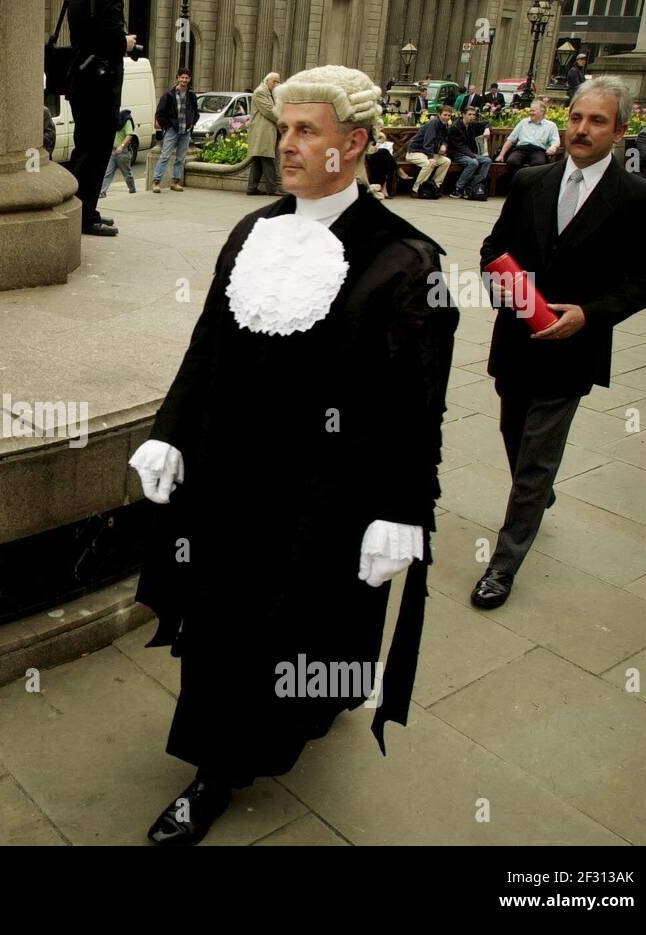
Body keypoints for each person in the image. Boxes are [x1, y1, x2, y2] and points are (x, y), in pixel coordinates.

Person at [130, 64, 458, 846]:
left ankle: (307, 707)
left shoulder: (407, 259)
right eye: (284, 128)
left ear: (355, 143)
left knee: (306, 627)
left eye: (307, 131)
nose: (288, 144)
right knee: (226, 630)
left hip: (327, 496)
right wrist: (168, 431)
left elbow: (420, 406)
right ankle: (213, 769)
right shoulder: (253, 232)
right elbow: (206, 345)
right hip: (229, 477)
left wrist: (401, 512)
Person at [473, 78, 646, 610]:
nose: (581, 129)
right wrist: (508, 292)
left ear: (621, 130)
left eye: (597, 121)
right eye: (577, 118)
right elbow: (494, 249)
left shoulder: (642, 200)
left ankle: (503, 565)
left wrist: (590, 314)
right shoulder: (531, 181)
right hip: (516, 340)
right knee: (515, 434)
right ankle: (538, 496)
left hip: (572, 349)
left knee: (537, 455)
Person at [67, 0, 135, 236]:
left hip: (82, 80)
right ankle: (85, 216)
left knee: (85, 149)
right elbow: (110, 35)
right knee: (96, 152)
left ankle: (84, 211)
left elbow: (87, 35)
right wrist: (125, 42)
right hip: (101, 85)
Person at [153, 68, 198, 192]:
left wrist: (192, 124)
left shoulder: (191, 95)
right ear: (177, 78)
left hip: (185, 130)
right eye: (182, 77)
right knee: (165, 156)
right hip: (172, 130)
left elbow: (195, 112)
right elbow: (160, 113)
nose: (184, 80)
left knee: (180, 158)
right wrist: (167, 126)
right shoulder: (169, 94)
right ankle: (156, 182)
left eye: (186, 78)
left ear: (189, 79)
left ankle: (175, 182)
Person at [495, 102, 560, 179]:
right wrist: (501, 155)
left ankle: (528, 187)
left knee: (539, 164)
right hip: (521, 149)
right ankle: (515, 184)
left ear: (542, 112)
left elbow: (556, 141)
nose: (530, 113)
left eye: (533, 111)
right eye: (530, 110)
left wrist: (553, 147)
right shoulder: (523, 122)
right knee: (512, 162)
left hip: (538, 150)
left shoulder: (551, 125)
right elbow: (511, 139)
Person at [245, 71, 284, 196]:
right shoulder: (260, 92)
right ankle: (272, 189)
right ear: (267, 80)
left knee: (258, 160)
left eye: (278, 81)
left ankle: (252, 188)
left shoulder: (269, 92)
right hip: (262, 132)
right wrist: (283, 120)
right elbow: (269, 111)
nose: (277, 84)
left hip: (265, 131)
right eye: (274, 81)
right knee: (268, 160)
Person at [407, 103, 454, 198]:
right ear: (439, 114)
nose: (447, 117)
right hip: (415, 152)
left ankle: (434, 186)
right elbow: (427, 143)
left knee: (446, 161)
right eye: (445, 115)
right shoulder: (434, 123)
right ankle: (416, 189)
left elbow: (445, 139)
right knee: (429, 163)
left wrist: (444, 145)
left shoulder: (445, 126)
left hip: (427, 153)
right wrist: (431, 157)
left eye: (449, 115)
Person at [448, 104, 492, 199]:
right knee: (473, 162)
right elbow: (459, 146)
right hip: (457, 154)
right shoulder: (455, 127)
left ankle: (471, 186)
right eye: (469, 114)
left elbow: (486, 123)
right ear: (463, 114)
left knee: (487, 161)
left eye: (473, 115)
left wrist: (487, 129)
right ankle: (457, 189)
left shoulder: (473, 124)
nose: (472, 117)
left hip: (469, 154)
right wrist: (473, 155)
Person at [99, 108, 138, 196]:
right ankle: (102, 192)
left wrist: (122, 146)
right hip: (112, 152)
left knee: (127, 174)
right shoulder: (112, 122)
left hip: (122, 152)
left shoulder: (126, 121)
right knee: (107, 173)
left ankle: (132, 189)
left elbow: (129, 135)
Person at [365, 130, 399, 199]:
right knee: (385, 154)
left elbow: (382, 138)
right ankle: (384, 187)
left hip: (371, 154)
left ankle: (383, 187)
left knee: (384, 159)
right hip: (364, 154)